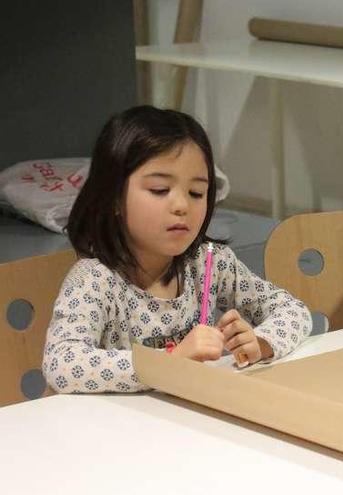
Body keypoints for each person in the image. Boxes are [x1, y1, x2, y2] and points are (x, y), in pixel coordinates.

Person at [43, 106, 312, 393]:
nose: (182, 206)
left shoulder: (209, 263)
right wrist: (170, 360)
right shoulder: (94, 280)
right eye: (160, 190)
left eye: (197, 193)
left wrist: (261, 342)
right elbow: (61, 364)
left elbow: (292, 310)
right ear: (114, 198)